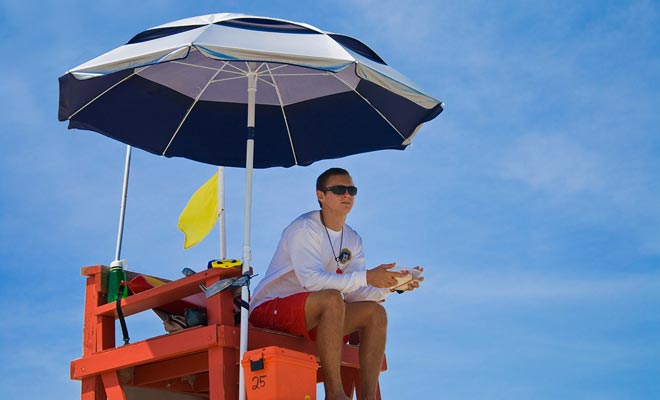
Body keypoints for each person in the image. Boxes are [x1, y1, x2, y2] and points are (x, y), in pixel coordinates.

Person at [249, 168, 422, 400]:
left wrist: (393, 286)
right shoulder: (304, 229)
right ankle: (335, 394)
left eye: (352, 190)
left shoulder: (353, 238)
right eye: (339, 190)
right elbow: (312, 281)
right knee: (331, 298)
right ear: (321, 195)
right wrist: (368, 277)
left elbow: (355, 294)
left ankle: (368, 397)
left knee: (375, 313)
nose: (347, 195)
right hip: (270, 310)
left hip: (316, 316)